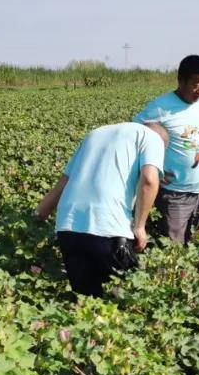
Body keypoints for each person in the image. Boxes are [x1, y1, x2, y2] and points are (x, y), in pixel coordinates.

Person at [35, 122, 167, 296]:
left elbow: (63, 183)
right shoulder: (152, 137)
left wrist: (37, 217)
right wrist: (139, 226)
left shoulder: (94, 134)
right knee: (124, 302)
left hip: (68, 227)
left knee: (86, 304)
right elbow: (149, 179)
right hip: (108, 229)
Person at [134, 55, 199, 244]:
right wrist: (153, 170)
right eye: (196, 84)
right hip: (174, 192)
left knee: (194, 243)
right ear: (181, 80)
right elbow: (135, 134)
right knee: (174, 248)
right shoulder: (160, 107)